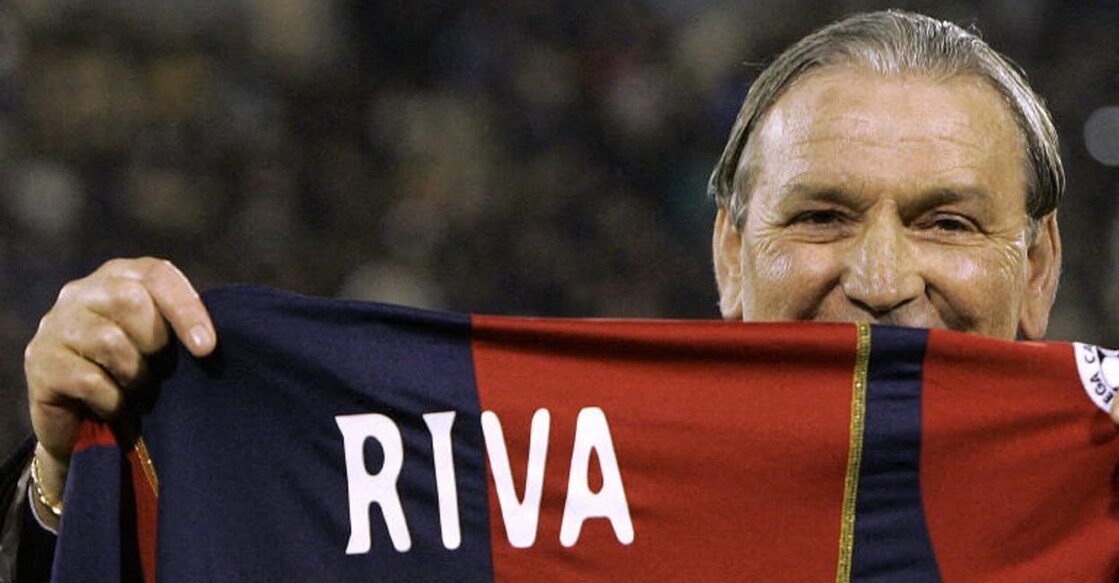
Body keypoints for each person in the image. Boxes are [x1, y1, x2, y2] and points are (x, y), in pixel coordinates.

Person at [2, 9, 1116, 581]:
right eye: (820, 215)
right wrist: (78, 484)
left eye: (948, 222)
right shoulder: (522, 499)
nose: (881, 280)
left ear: (1043, 268)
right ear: (730, 257)